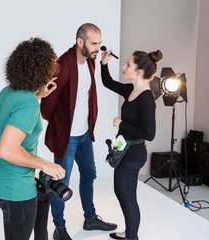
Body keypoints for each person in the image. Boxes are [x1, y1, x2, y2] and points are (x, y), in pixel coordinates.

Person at [40, 23, 117, 240]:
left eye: (99, 44)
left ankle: (90, 218)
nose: (98, 48)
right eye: (94, 43)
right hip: (67, 137)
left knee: (89, 174)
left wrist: (102, 64)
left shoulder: (90, 62)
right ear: (80, 42)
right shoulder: (62, 65)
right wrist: (61, 125)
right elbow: (46, 105)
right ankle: (59, 227)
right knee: (60, 183)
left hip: (84, 134)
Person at [0, 37, 66, 240]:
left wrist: (39, 95)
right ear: (43, 71)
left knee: (43, 198)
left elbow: (18, 112)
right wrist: (44, 164)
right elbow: (6, 150)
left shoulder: (9, 92)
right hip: (15, 189)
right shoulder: (28, 104)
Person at [100, 49, 163, 240]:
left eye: (128, 64)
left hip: (134, 154)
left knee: (127, 197)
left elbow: (149, 134)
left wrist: (122, 123)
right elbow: (107, 82)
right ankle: (130, 231)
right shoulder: (130, 90)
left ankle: (132, 237)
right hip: (124, 149)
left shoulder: (146, 98)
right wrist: (104, 64)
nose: (124, 66)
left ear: (139, 72)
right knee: (122, 193)